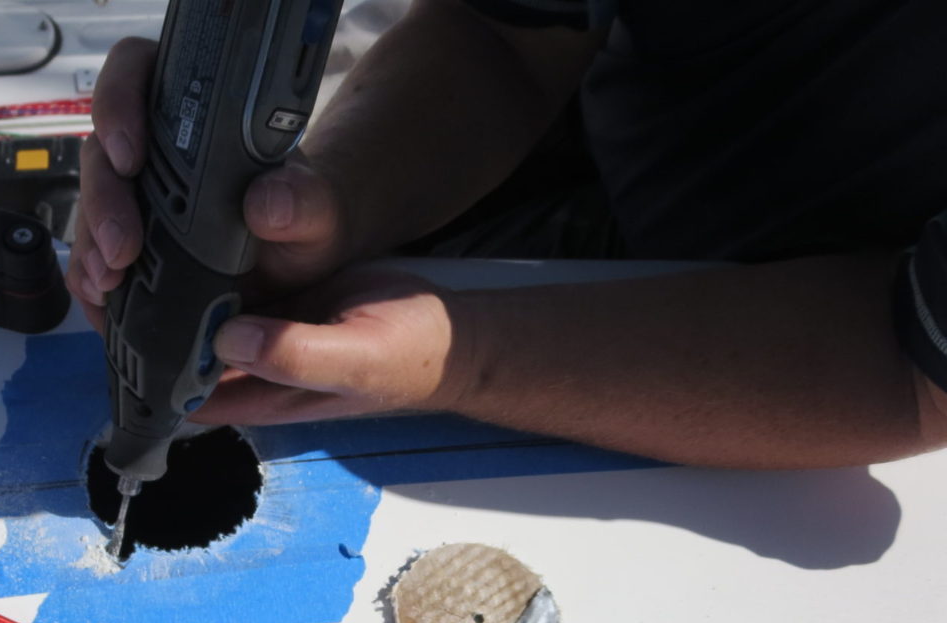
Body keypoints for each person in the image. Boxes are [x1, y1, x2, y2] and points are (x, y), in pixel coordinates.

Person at [66, 0, 947, 469]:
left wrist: (466, 359)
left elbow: (917, 380)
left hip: (828, 345)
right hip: (607, 159)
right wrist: (327, 200)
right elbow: (513, 35)